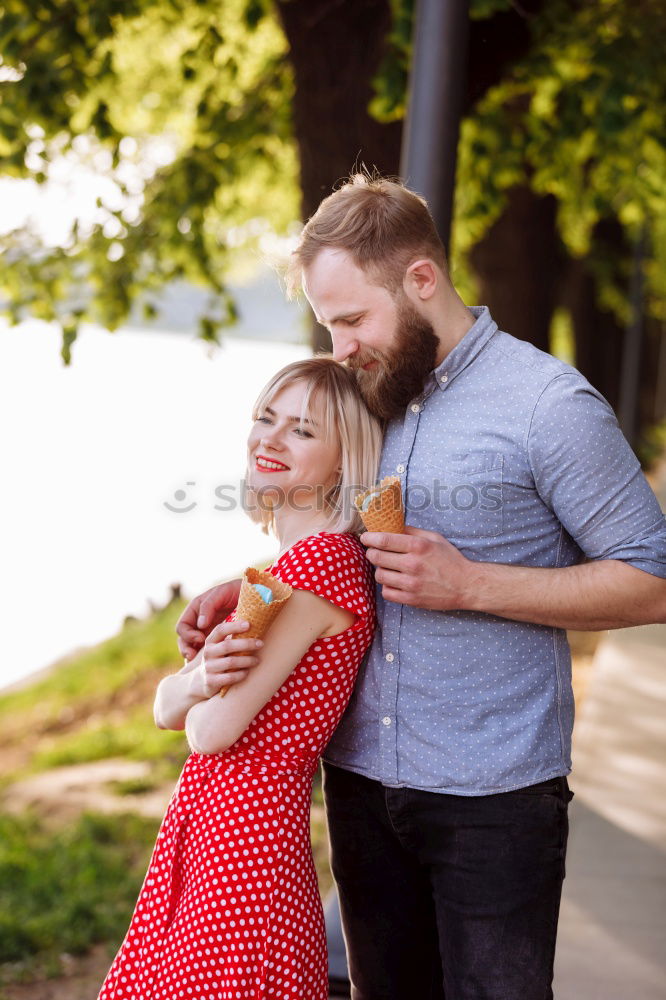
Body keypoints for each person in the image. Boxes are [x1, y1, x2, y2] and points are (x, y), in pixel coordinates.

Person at [177, 177, 666, 1000]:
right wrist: (258, 586)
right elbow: (334, 535)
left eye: (354, 319)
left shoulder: (549, 405)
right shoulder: (369, 389)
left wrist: (472, 584)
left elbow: (650, 580)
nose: (340, 346)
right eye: (329, 324)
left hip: (493, 797)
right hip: (361, 786)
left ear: (423, 281)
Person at [98, 357, 382, 1000]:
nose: (271, 439)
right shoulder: (282, 569)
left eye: (303, 430)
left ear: (344, 460)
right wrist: (195, 686)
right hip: (215, 833)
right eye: (265, 418)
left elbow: (210, 731)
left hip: (243, 847)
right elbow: (169, 708)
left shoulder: (320, 563)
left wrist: (194, 688)